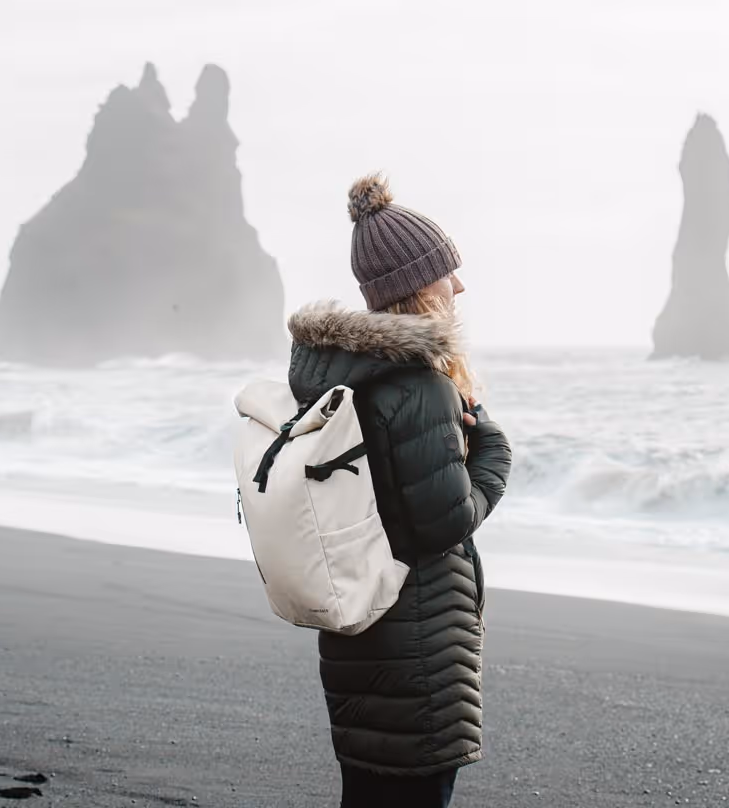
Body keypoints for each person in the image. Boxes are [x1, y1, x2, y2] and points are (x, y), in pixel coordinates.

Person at [285, 173, 514, 808]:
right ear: (416, 287)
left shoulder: (343, 379)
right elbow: (443, 526)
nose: (460, 286)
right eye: (448, 272)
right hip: (417, 641)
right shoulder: (418, 387)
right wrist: (493, 453)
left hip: (360, 630)